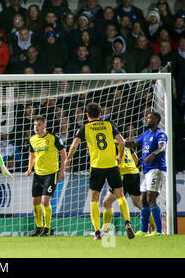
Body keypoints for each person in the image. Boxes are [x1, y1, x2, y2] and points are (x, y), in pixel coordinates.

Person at [66, 102, 134, 240]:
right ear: (100, 114)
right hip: (112, 165)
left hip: (97, 167)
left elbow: (74, 145)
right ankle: (127, 222)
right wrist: (119, 156)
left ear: (87, 115)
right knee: (120, 196)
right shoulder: (109, 125)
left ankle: (97, 232)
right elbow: (121, 141)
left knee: (94, 200)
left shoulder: (85, 127)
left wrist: (68, 158)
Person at [126, 112, 167, 236]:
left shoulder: (160, 133)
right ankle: (144, 231)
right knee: (143, 200)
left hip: (157, 169)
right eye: (147, 118)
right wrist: (118, 142)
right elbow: (133, 143)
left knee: (151, 198)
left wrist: (153, 154)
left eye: (150, 118)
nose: (147, 119)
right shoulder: (146, 134)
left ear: (157, 120)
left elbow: (163, 147)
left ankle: (159, 231)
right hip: (147, 171)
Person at [102, 141, 156, 233]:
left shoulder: (110, 144)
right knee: (139, 203)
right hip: (134, 173)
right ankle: (156, 228)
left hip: (123, 175)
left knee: (106, 202)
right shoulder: (124, 142)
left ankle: (105, 230)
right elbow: (135, 158)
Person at [25, 115, 66, 237]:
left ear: (45, 125)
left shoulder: (53, 137)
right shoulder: (32, 139)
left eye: (39, 125)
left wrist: (62, 170)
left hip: (51, 173)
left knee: (45, 200)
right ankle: (39, 227)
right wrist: (29, 169)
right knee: (35, 201)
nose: (36, 127)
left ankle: (48, 228)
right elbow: (32, 155)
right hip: (38, 174)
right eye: (35, 125)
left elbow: (63, 152)